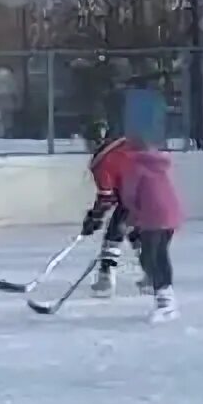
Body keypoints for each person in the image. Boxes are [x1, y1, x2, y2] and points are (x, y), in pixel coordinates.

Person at [118, 138, 184, 323]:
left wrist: (129, 220)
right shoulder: (159, 164)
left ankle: (164, 300)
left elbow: (130, 197)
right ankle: (167, 298)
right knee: (160, 254)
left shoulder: (133, 166)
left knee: (149, 257)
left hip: (152, 216)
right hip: (170, 214)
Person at [80, 120, 143, 296]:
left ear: (95, 141)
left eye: (87, 140)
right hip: (153, 193)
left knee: (113, 235)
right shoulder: (126, 144)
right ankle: (153, 274)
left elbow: (106, 197)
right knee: (135, 233)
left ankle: (106, 280)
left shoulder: (100, 162)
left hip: (133, 198)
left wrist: (95, 217)